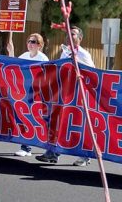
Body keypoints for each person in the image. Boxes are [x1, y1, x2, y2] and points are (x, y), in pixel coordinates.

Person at [36, 26, 96, 166]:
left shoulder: (83, 54)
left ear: (80, 39)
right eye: (68, 33)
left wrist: (77, 63)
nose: (69, 35)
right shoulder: (64, 52)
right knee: (59, 124)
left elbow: (93, 73)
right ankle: (53, 153)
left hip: (78, 95)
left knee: (78, 126)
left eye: (73, 34)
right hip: (64, 94)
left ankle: (85, 156)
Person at [11, 33, 49, 157]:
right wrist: (11, 53)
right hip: (24, 92)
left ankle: (45, 146)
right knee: (24, 118)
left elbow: (47, 76)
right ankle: (25, 147)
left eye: (33, 42)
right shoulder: (24, 56)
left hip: (37, 94)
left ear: (39, 45)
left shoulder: (43, 58)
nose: (30, 44)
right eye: (29, 41)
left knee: (38, 120)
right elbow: (15, 67)